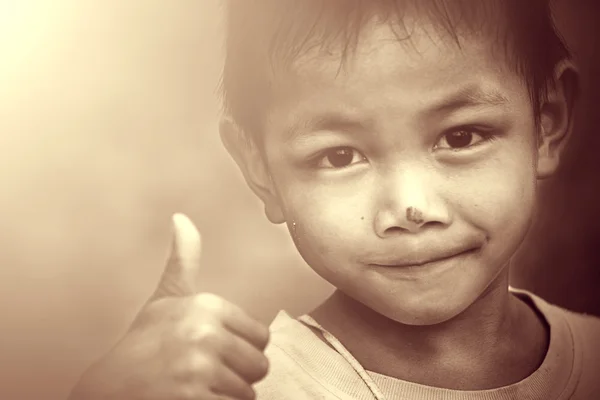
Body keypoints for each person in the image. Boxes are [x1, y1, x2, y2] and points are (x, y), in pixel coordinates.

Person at [68, 0, 600, 399]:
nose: (409, 209)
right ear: (261, 169)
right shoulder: (238, 389)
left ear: (546, 125)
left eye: (460, 137)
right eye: (340, 156)